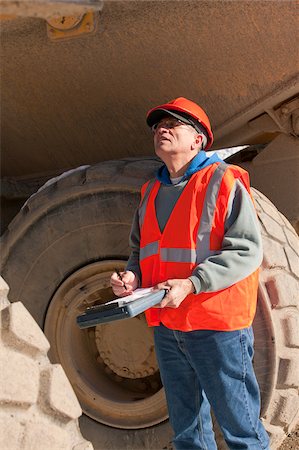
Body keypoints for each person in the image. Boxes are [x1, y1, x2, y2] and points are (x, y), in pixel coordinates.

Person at [110, 97, 270, 450]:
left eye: (173, 125)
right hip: (169, 326)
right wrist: (131, 278)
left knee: (241, 431)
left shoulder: (222, 180)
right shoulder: (151, 191)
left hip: (216, 327)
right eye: (157, 126)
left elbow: (246, 250)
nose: (161, 130)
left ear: (198, 140)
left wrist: (193, 283)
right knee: (188, 434)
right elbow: (141, 252)